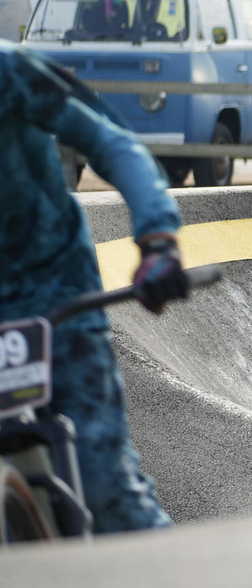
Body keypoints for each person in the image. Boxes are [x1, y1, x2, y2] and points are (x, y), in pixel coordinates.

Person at [0, 40, 189, 533]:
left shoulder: (9, 71)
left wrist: (158, 240)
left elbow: (112, 142)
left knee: (105, 488)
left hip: (51, 293)